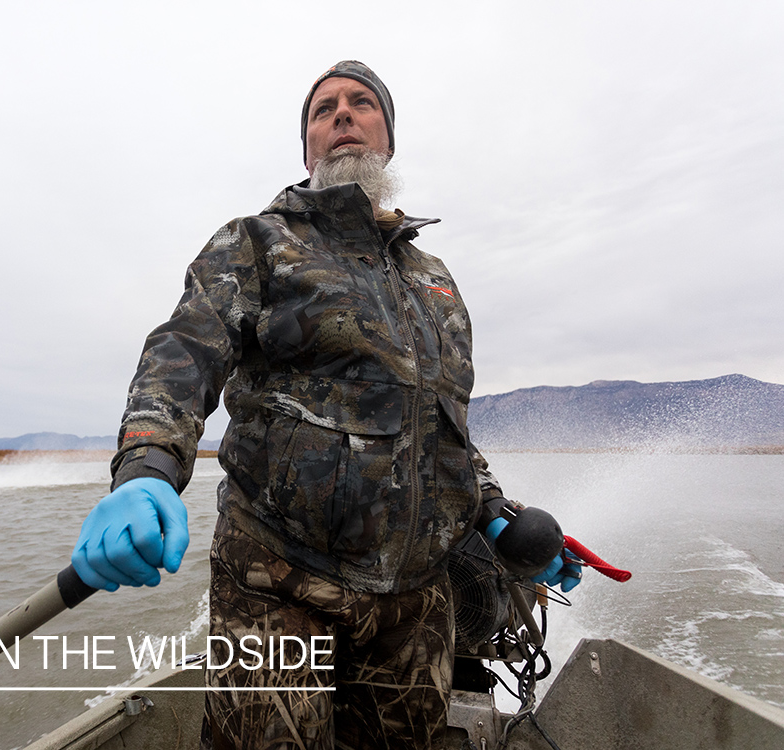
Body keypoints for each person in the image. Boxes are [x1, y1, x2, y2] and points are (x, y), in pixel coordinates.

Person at [73, 61, 580, 749]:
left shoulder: (432, 280)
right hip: (278, 581)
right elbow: (183, 353)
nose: (341, 115)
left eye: (361, 103)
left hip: (414, 600)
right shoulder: (257, 242)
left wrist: (492, 513)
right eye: (323, 109)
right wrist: (144, 469)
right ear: (307, 146)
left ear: (387, 138)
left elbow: (440, 423)